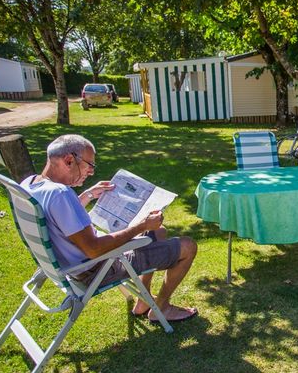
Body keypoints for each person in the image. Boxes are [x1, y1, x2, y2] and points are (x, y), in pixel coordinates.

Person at [21, 134, 198, 323]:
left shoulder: (31, 185)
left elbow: (57, 217)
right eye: (90, 165)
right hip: (97, 269)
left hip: (70, 267)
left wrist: (87, 195)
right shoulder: (60, 194)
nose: (91, 172)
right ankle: (161, 308)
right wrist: (141, 225)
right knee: (187, 246)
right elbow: (94, 249)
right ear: (69, 160)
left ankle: (143, 300)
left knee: (158, 231)